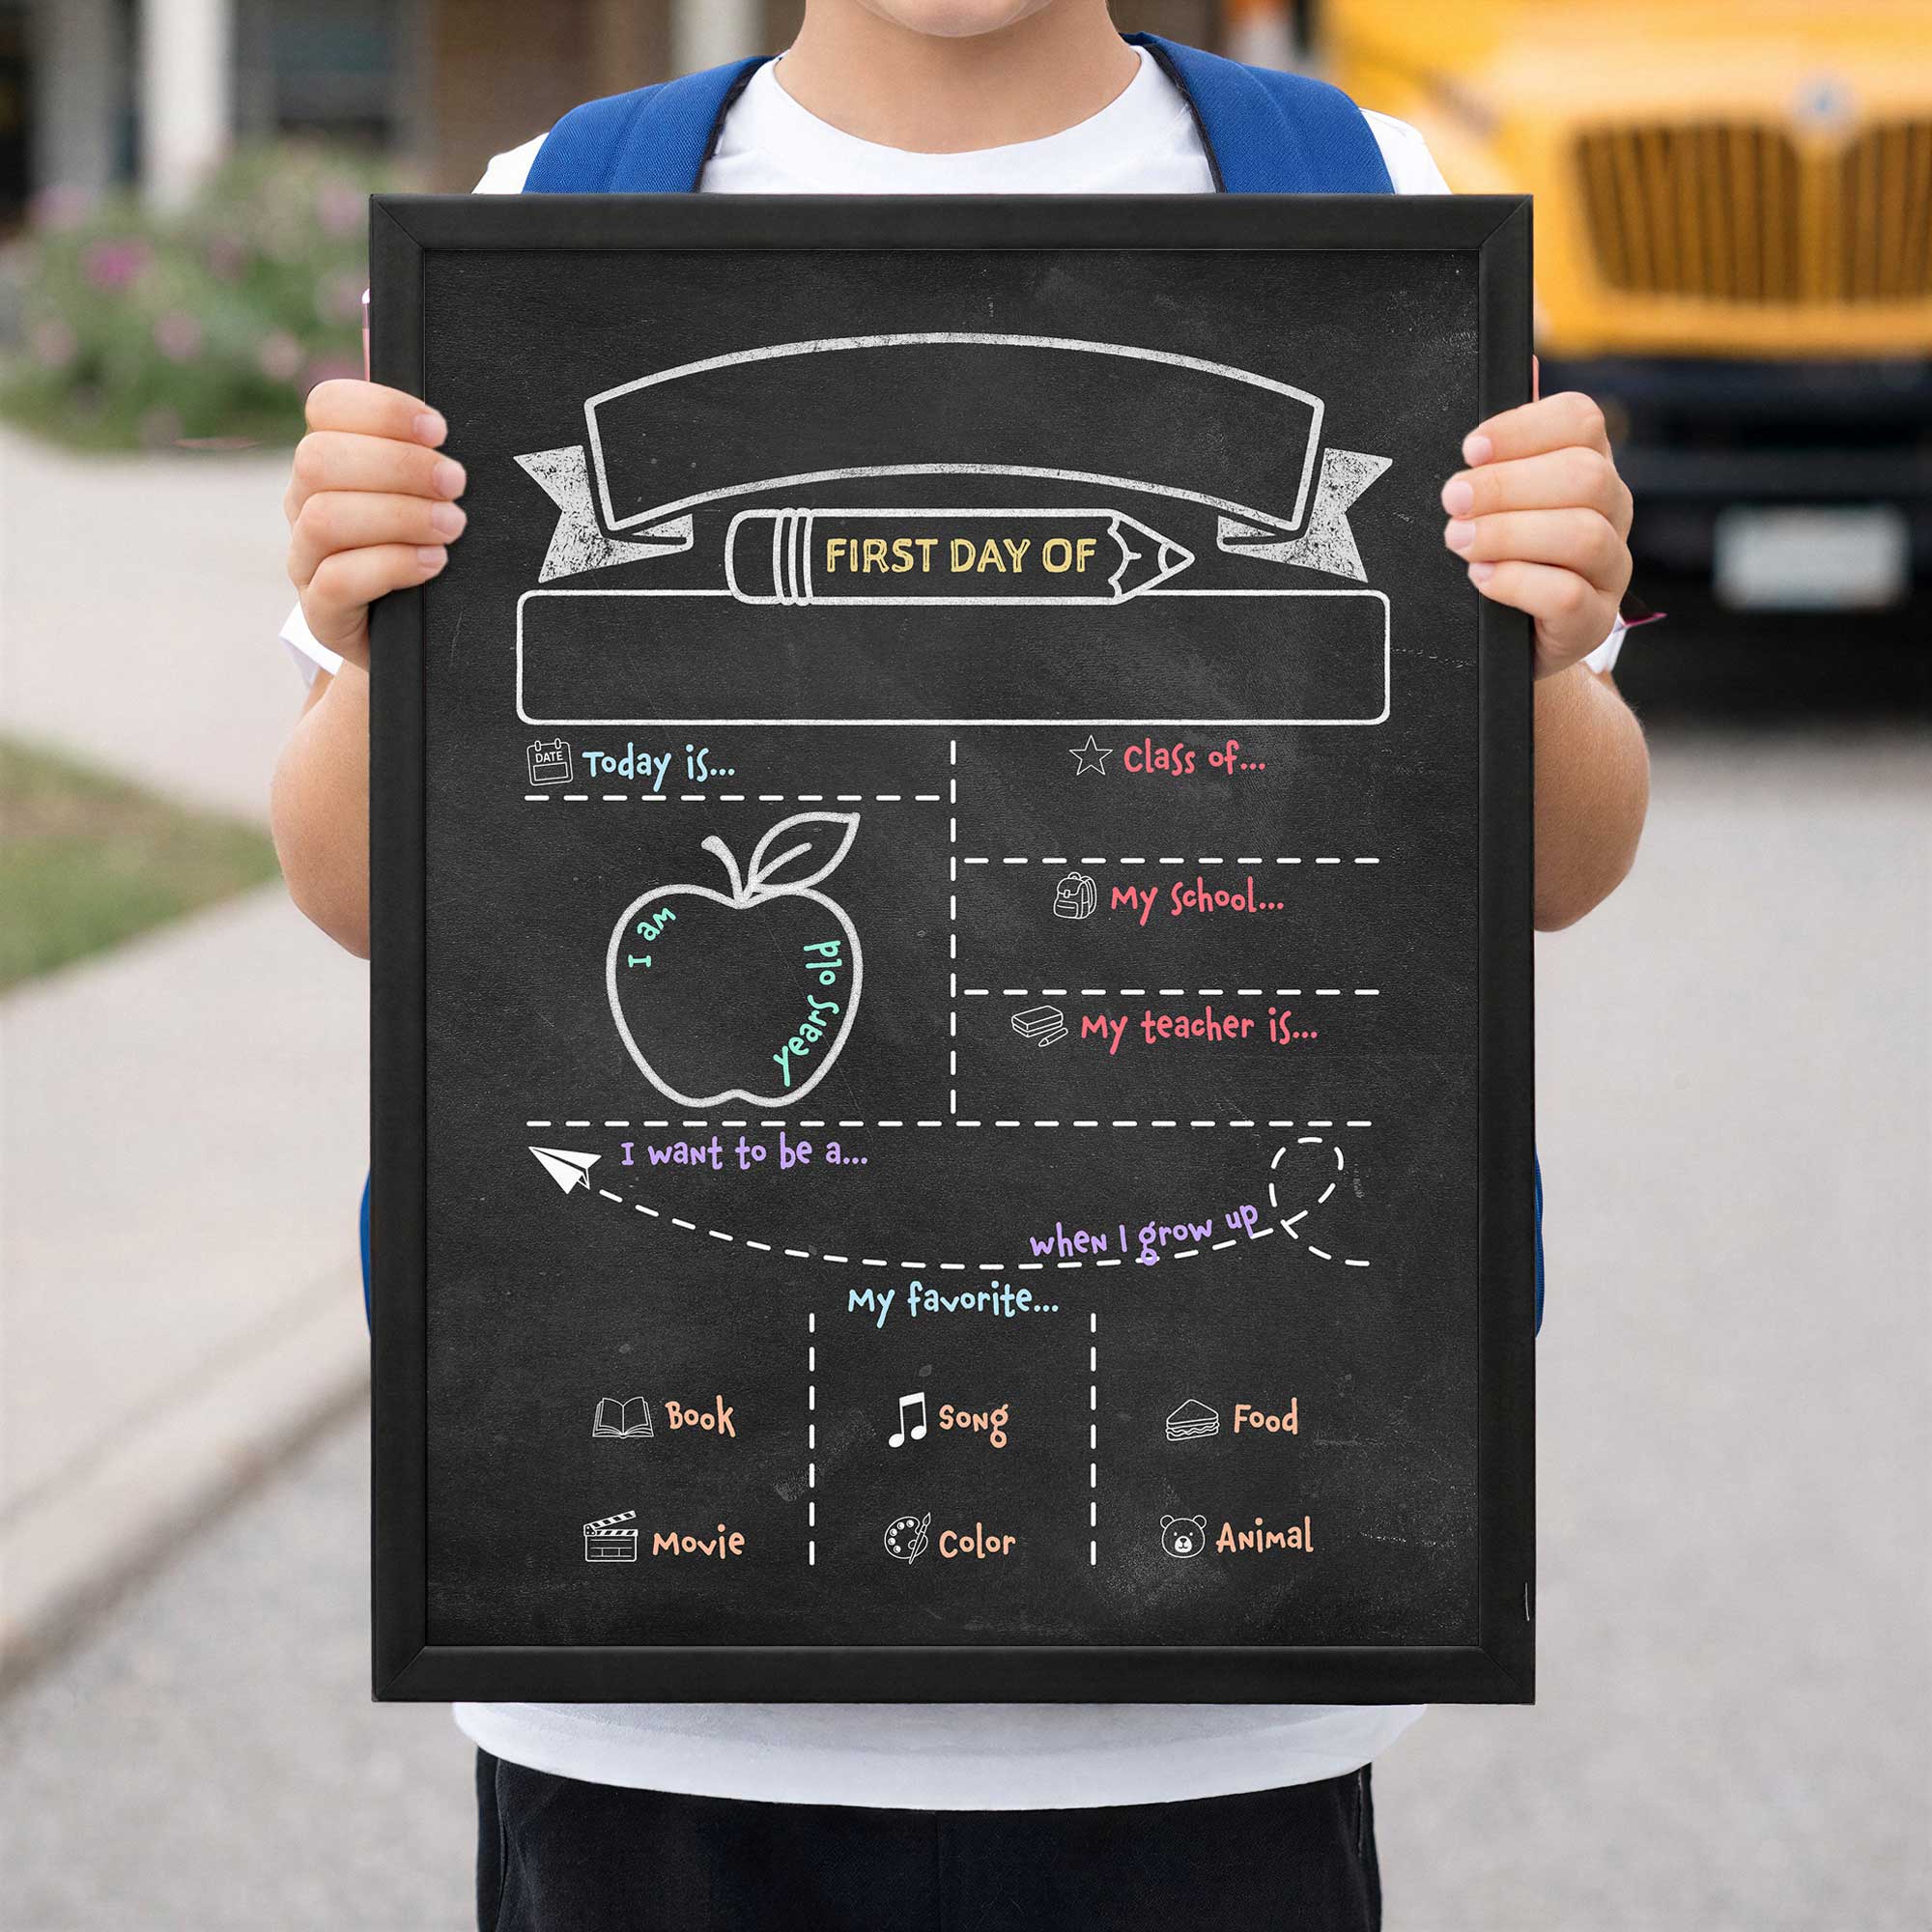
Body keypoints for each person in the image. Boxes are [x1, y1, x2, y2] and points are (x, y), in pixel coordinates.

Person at [270, 4, 1650, 1926]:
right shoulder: (560, 215)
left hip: (1215, 1670)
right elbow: (363, 890)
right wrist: (365, 625)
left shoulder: (1359, 202)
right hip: (648, 1684)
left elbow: (1553, 868)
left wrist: (1557, 633)